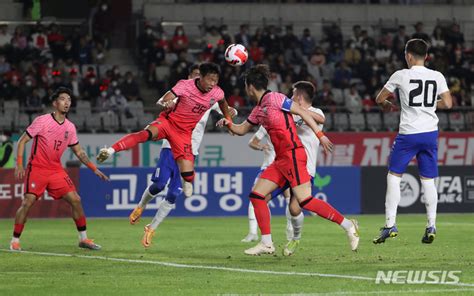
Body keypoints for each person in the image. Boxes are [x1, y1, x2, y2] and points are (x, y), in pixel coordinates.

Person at [218, 65, 359, 255]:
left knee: (304, 202)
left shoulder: (276, 98)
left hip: (293, 155)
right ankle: (267, 243)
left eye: (245, 85)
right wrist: (228, 123)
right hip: (281, 160)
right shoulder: (258, 110)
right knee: (257, 196)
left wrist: (320, 135)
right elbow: (241, 130)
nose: (245, 89)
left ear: (250, 87)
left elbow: (303, 112)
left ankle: (348, 225)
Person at [127, 64, 237, 248]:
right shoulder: (183, 91)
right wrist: (167, 103)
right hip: (171, 145)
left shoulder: (211, 96)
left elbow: (228, 109)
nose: (206, 84)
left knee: (174, 193)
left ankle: (151, 229)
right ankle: (141, 205)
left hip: (190, 151)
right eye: (197, 77)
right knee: (160, 184)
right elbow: (162, 100)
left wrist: (231, 115)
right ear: (192, 78)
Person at [96, 62, 232, 198]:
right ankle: (109, 151)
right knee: (144, 135)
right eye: (210, 79)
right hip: (168, 123)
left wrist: (228, 119)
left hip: (184, 133)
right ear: (201, 77)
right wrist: (166, 103)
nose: (213, 83)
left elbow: (223, 104)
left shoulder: (217, 92)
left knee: (188, 177)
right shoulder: (185, 85)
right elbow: (164, 99)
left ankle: (187, 180)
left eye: (216, 80)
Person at [373, 39, 453, 245]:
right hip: (430, 134)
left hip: (408, 134)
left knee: (394, 176)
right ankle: (431, 225)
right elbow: (448, 103)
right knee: (428, 181)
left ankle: (390, 225)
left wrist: (388, 104)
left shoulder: (401, 75)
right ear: (426, 56)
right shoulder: (437, 76)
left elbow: (379, 98)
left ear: (408, 56)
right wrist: (429, 105)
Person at [11, 87, 109, 251]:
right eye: (63, 99)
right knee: (27, 202)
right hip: (38, 169)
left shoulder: (70, 127)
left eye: (69, 100)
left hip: (56, 170)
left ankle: (83, 239)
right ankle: (15, 240)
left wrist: (94, 169)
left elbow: (79, 152)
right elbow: (22, 141)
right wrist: (19, 164)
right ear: (55, 103)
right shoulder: (42, 121)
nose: (67, 103)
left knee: (76, 200)